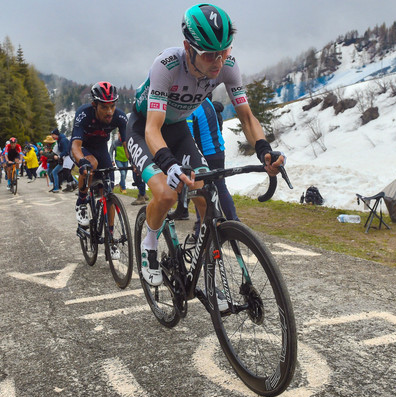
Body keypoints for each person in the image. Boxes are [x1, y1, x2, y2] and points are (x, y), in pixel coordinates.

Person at [125, 3, 285, 287]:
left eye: (225, 52)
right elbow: (152, 128)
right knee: (165, 195)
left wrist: (264, 150)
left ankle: (208, 269)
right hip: (143, 127)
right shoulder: (167, 65)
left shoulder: (228, 67)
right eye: (210, 54)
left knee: (206, 196)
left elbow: (246, 117)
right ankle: (149, 243)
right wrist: (169, 164)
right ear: (188, 48)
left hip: (178, 130)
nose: (219, 62)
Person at [69, 81, 129, 235]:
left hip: (101, 149)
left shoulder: (120, 117)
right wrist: (82, 162)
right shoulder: (84, 114)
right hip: (83, 148)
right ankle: (81, 203)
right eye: (104, 107)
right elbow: (75, 145)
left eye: (112, 106)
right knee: (91, 164)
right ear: (94, 105)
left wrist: (135, 163)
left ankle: (110, 236)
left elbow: (128, 144)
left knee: (109, 191)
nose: (109, 112)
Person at [187, 96, 240, 238]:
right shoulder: (207, 101)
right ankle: (235, 223)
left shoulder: (190, 105)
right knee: (221, 187)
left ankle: (201, 232)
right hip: (218, 150)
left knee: (199, 190)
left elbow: (188, 137)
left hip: (203, 152)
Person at [50, 128, 70, 193]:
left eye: (52, 135)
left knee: (56, 172)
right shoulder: (59, 140)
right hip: (63, 158)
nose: (52, 136)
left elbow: (66, 151)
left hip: (67, 158)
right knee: (56, 172)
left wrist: (59, 156)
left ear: (56, 134)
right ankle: (57, 187)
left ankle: (57, 187)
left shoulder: (63, 140)